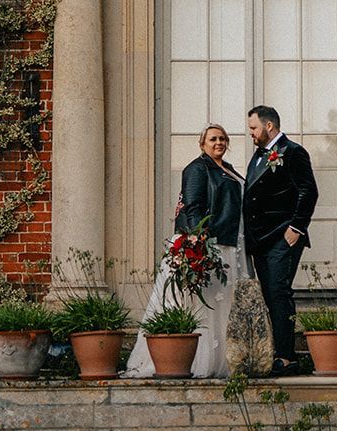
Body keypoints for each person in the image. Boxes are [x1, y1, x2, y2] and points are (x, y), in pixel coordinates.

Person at [123, 123, 247, 378]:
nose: (219, 143)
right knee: (201, 302)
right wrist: (197, 241)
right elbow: (192, 206)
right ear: (202, 143)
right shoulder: (197, 169)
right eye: (213, 139)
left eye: (223, 138)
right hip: (208, 242)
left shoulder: (229, 169)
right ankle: (187, 361)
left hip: (228, 242)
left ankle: (223, 360)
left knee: (222, 303)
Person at [241, 104, 318, 377]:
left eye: (253, 127)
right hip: (260, 240)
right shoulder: (258, 156)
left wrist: (296, 227)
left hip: (283, 236)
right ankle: (275, 352)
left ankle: (287, 358)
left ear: (269, 126)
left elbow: (308, 191)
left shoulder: (293, 152)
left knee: (278, 292)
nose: (251, 133)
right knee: (269, 295)